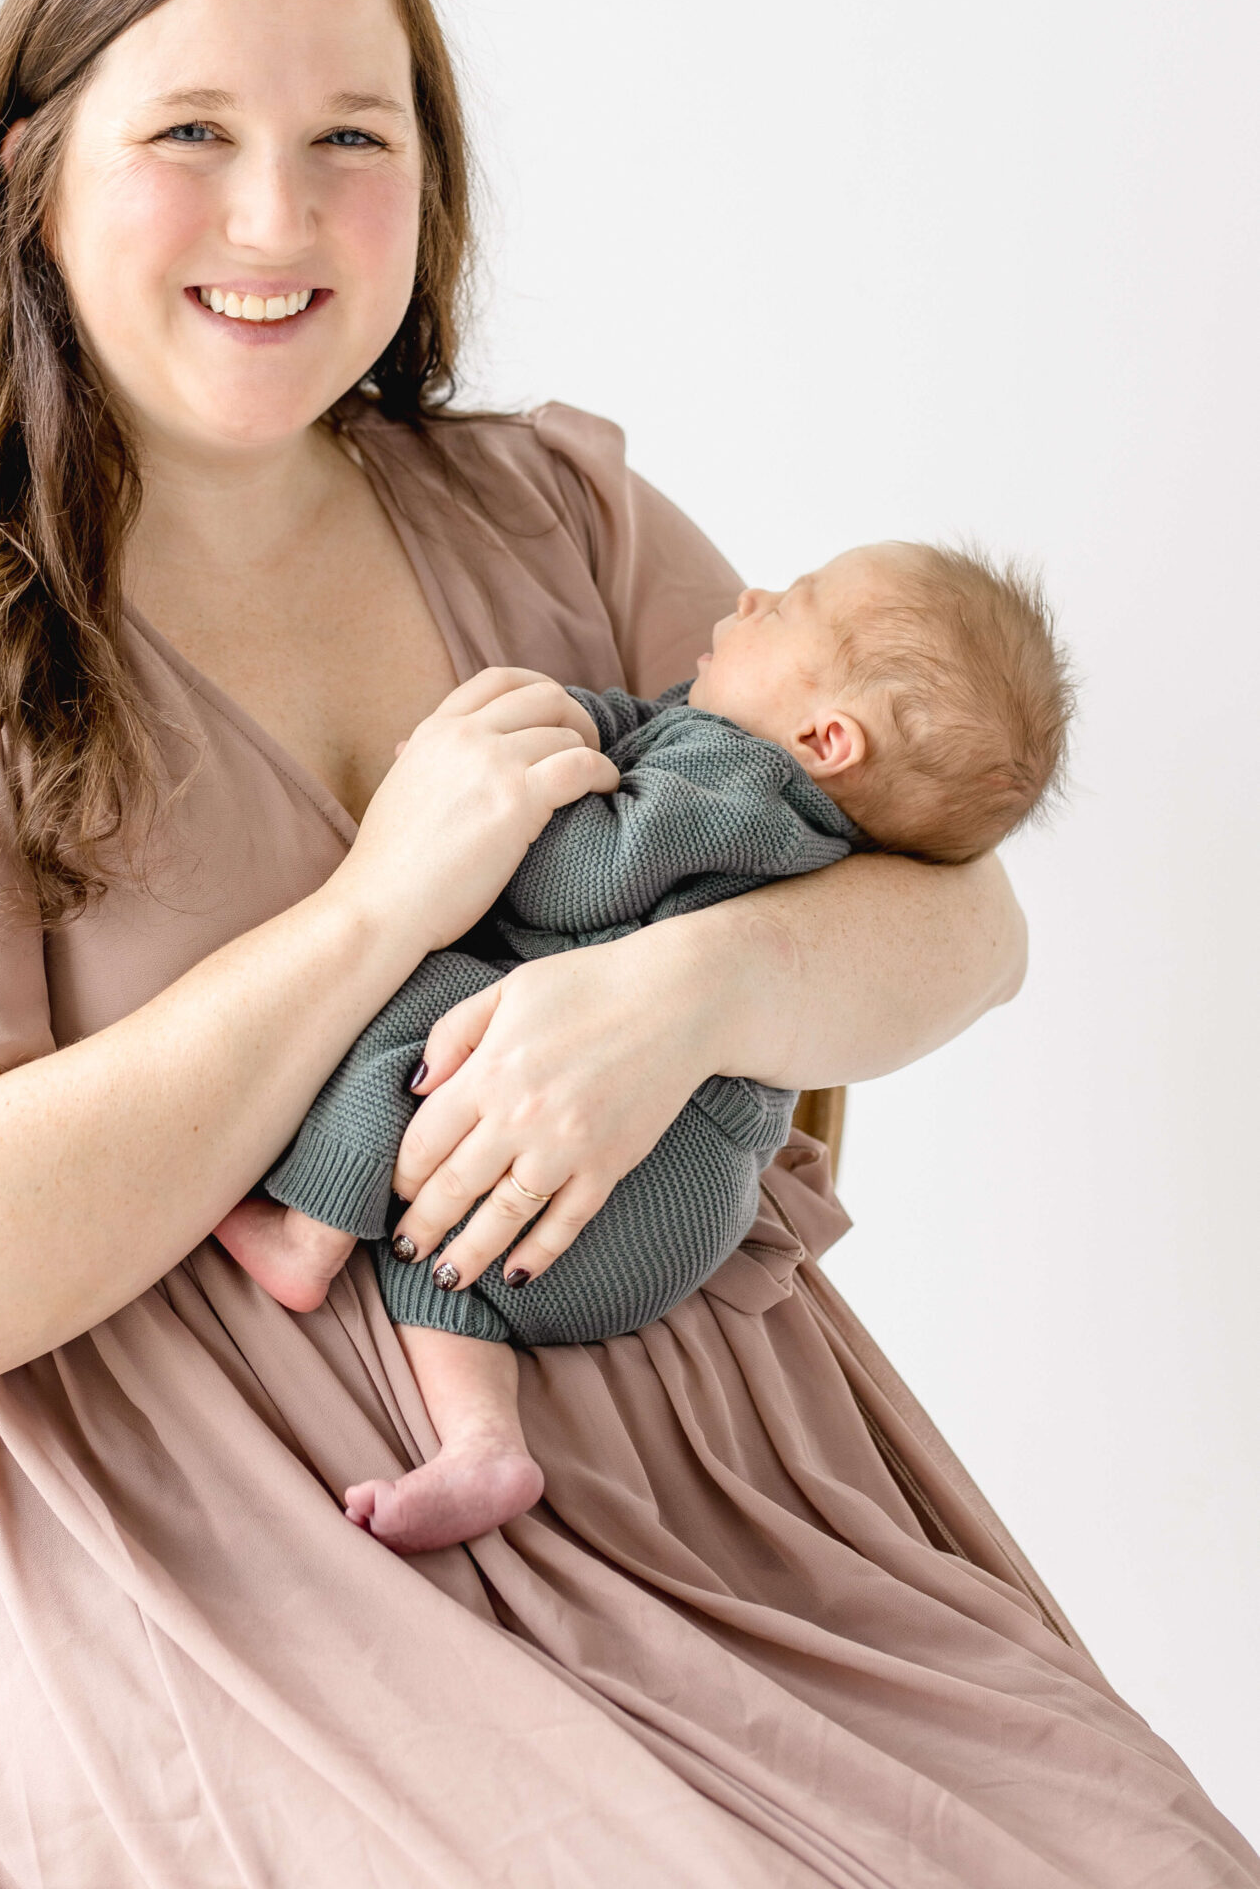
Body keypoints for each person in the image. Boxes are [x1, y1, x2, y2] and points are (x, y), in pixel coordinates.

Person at [0, 0, 1257, 1887]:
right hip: (218, 1555)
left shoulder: (547, 521)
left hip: (713, 1496)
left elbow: (964, 918)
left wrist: (677, 992)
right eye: (191, 132)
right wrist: (372, 909)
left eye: (349, 134)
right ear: (32, 169)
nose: (274, 215)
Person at [224, 541, 1075, 1558]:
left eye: (790, 605)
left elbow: (574, 882)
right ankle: (481, 1443)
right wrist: (587, 720)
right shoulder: (792, 809)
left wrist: (499, 792)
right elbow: (649, 734)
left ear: (825, 737)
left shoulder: (734, 783)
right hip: (676, 1214)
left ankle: (307, 1237)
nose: (752, 594)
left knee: (418, 1023)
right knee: (447, 1257)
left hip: (637, 1163)